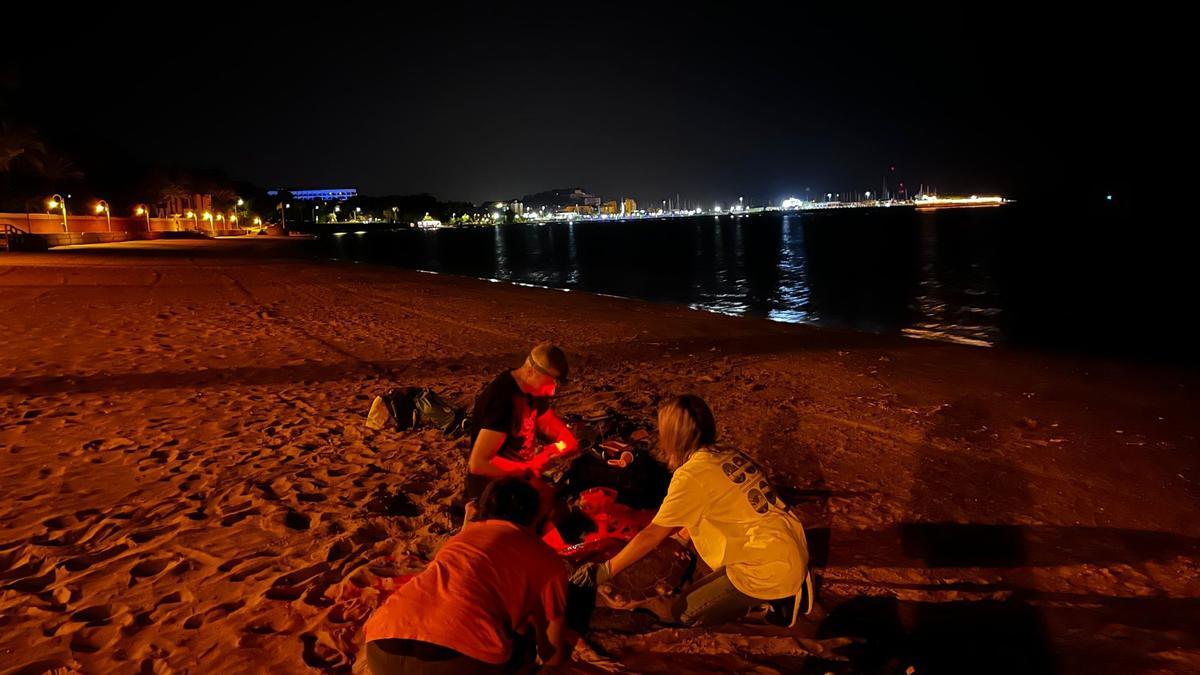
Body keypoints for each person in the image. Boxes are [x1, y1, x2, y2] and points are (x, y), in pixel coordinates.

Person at [575, 394, 812, 627]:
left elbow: (651, 534)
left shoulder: (691, 475)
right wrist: (681, 537)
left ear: (673, 436)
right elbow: (711, 503)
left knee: (685, 613)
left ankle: (779, 596)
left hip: (765, 565)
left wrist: (604, 571)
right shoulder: (727, 453)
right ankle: (786, 580)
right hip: (787, 541)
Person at [363, 477, 570, 674]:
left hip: (380, 647)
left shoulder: (463, 537)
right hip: (456, 663)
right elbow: (551, 653)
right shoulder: (547, 559)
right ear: (536, 515)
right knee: (523, 646)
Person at [464, 342, 578, 519]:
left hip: (520, 477)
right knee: (547, 515)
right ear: (531, 371)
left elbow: (549, 423)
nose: (553, 390)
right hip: (496, 489)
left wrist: (563, 442)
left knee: (564, 502)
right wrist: (527, 468)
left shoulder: (532, 390)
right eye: (550, 382)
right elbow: (479, 463)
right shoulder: (502, 400)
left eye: (556, 383)